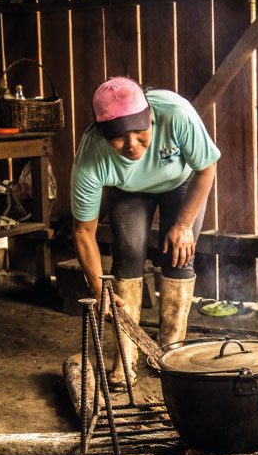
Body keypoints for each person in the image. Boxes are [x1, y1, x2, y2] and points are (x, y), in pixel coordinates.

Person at [71, 77, 220, 387]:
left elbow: (206, 168)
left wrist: (183, 226)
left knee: (179, 256)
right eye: (119, 138)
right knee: (128, 255)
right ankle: (125, 358)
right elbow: (84, 231)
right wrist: (98, 289)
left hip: (179, 182)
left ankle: (171, 353)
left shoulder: (177, 114)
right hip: (128, 191)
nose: (132, 145)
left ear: (151, 116)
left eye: (140, 132)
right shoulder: (91, 158)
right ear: (102, 134)